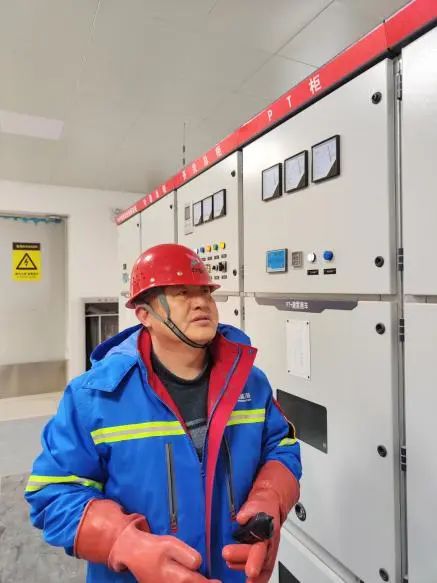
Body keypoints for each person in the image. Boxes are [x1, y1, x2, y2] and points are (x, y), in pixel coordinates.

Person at [25, 243, 302, 583]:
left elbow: (281, 446)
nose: (201, 302)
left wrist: (270, 497)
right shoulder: (95, 397)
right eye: (182, 293)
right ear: (144, 314)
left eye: (205, 292)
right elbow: (52, 491)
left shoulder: (250, 382)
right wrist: (125, 543)